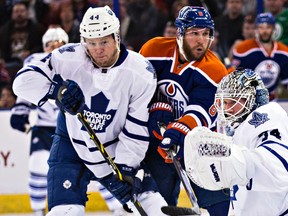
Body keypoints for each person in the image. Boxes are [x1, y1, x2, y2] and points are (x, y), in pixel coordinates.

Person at [13, 5, 167, 215]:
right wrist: (55, 91)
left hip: (114, 150)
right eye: (91, 43)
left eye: (104, 41)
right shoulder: (68, 57)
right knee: (66, 211)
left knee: (153, 207)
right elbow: (21, 83)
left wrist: (126, 169)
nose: (98, 49)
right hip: (71, 147)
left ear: (117, 37)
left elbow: (136, 128)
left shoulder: (141, 72)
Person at [140, 6, 230, 215]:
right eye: (194, 33)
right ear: (179, 33)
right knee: (158, 205)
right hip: (159, 143)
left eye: (206, 34)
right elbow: (137, 89)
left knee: (218, 205)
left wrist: (179, 130)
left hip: (202, 145)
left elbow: (201, 111)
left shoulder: (214, 69)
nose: (201, 40)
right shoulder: (153, 50)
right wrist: (155, 105)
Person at [183, 68, 288, 215]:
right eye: (224, 102)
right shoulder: (240, 130)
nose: (226, 109)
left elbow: (278, 167)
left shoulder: (268, 117)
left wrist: (236, 162)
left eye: (232, 101)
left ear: (253, 99)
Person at [10, 27, 68, 216]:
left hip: (71, 127)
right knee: (37, 164)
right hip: (44, 128)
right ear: (44, 46)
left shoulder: (75, 63)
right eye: (50, 45)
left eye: (58, 45)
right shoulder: (36, 63)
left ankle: (117, 208)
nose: (53, 48)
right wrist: (21, 112)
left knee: (92, 166)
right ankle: (37, 211)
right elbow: (25, 88)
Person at [231, 12, 288, 100]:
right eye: (261, 27)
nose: (265, 31)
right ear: (256, 29)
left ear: (274, 29)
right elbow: (233, 78)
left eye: (268, 27)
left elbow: (286, 82)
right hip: (248, 100)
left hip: (272, 101)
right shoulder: (243, 49)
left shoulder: (283, 52)